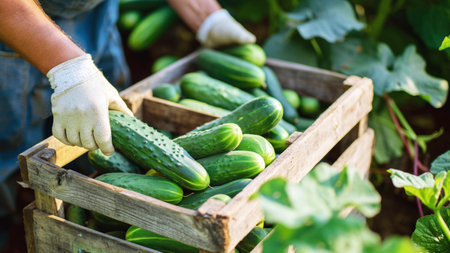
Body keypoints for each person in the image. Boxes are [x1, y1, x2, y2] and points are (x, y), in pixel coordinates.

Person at [0, 0, 255, 249]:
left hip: (95, 17)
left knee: (96, 145)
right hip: (13, 26)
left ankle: (88, 215)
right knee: (5, 166)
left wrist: (206, 15)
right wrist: (69, 70)